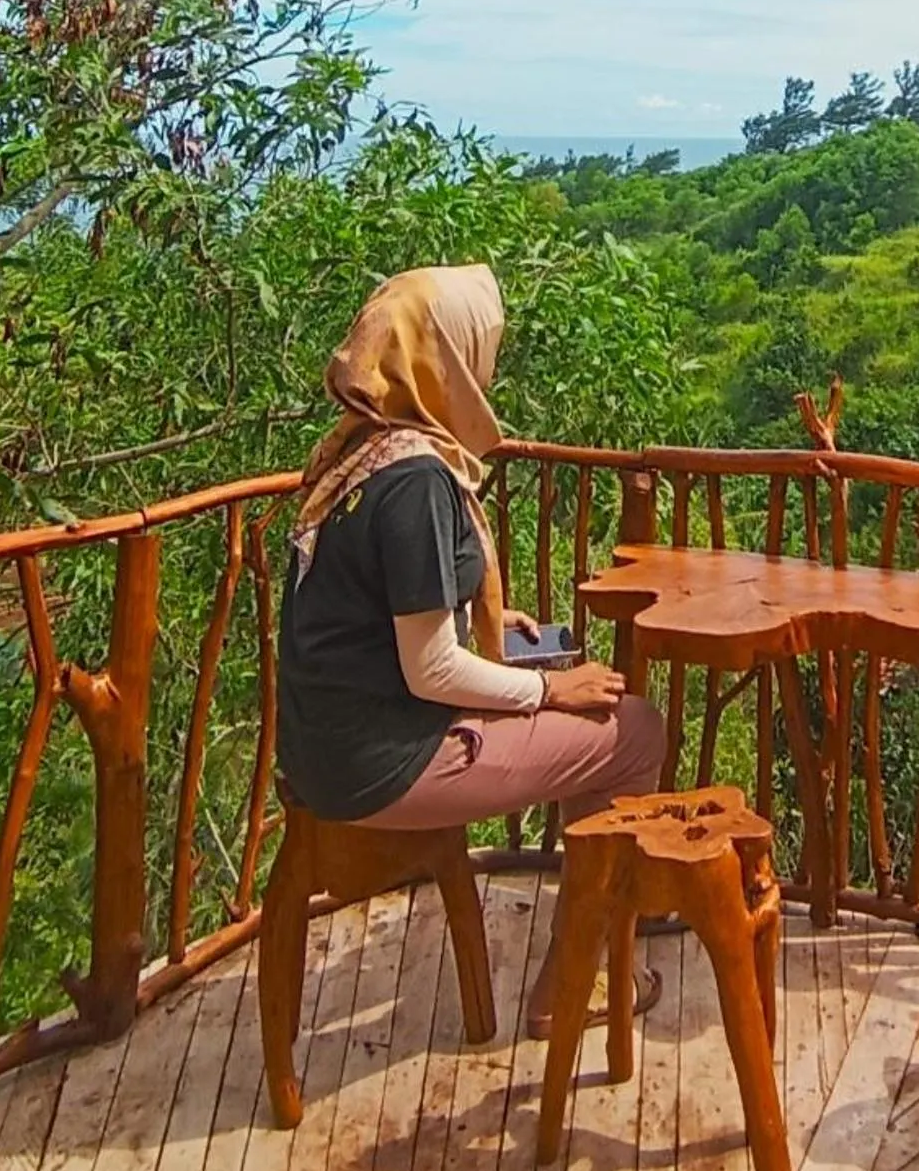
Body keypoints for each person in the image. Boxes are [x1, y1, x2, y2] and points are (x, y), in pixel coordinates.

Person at [275, 263, 668, 1031]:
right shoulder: (417, 480)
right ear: (446, 360)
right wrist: (551, 690)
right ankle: (579, 977)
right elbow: (430, 671)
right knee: (632, 733)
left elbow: (383, 620)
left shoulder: (357, 454)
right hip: (386, 762)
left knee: (598, 714)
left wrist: (475, 622)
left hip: (324, 750)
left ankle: (610, 913)